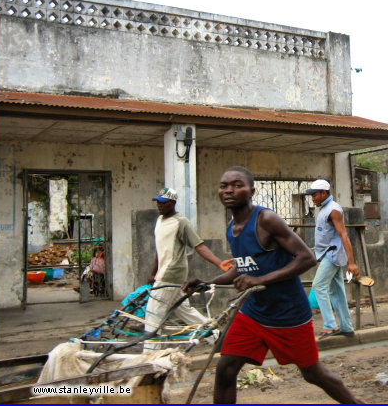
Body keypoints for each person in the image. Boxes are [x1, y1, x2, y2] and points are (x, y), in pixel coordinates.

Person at [182, 166, 362, 404]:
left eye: (237, 185)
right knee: (225, 368)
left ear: (252, 191)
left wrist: (260, 280)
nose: (229, 190)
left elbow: (306, 258)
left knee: (312, 373)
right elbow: (243, 267)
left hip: (288, 314)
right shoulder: (232, 229)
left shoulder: (266, 219)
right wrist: (207, 283)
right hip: (253, 313)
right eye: (224, 186)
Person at [143, 187, 233, 351]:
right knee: (184, 310)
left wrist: (219, 263)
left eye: (163, 203)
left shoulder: (181, 222)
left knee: (153, 313)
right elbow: (159, 249)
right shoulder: (160, 221)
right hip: (164, 273)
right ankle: (215, 337)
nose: (159, 206)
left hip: (171, 273)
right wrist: (153, 273)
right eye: (158, 202)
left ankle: (150, 353)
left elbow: (199, 246)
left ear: (173, 203)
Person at [307, 179, 359, 340]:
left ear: (324, 193)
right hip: (328, 254)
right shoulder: (324, 209)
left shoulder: (333, 210)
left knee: (318, 286)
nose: (313, 198)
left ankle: (330, 325)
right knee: (336, 291)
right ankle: (346, 327)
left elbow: (344, 235)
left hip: (332, 255)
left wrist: (351, 262)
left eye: (315, 195)